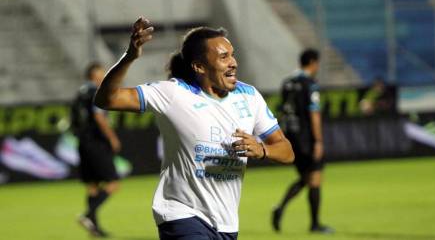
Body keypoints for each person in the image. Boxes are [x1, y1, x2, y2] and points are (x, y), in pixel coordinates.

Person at [94, 16, 294, 240]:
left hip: (226, 222)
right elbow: (107, 100)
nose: (233, 62)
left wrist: (263, 149)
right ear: (199, 66)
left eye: (232, 54)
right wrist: (129, 58)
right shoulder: (172, 93)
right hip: (181, 214)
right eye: (223, 57)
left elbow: (286, 151)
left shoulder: (250, 96)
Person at [272, 49, 334, 234]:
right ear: (313, 62)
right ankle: (315, 225)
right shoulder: (310, 84)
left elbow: (284, 111)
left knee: (306, 178)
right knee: (314, 178)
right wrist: (318, 141)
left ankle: (280, 208)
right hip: (307, 138)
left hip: (292, 137)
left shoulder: (287, 83)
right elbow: (314, 114)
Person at [72, 63, 121, 238]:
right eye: (101, 73)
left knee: (92, 185)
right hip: (96, 143)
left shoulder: (80, 92)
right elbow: (99, 117)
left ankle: (94, 227)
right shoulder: (96, 92)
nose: (104, 76)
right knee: (113, 183)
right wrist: (112, 137)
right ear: (93, 75)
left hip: (82, 143)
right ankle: (87, 214)